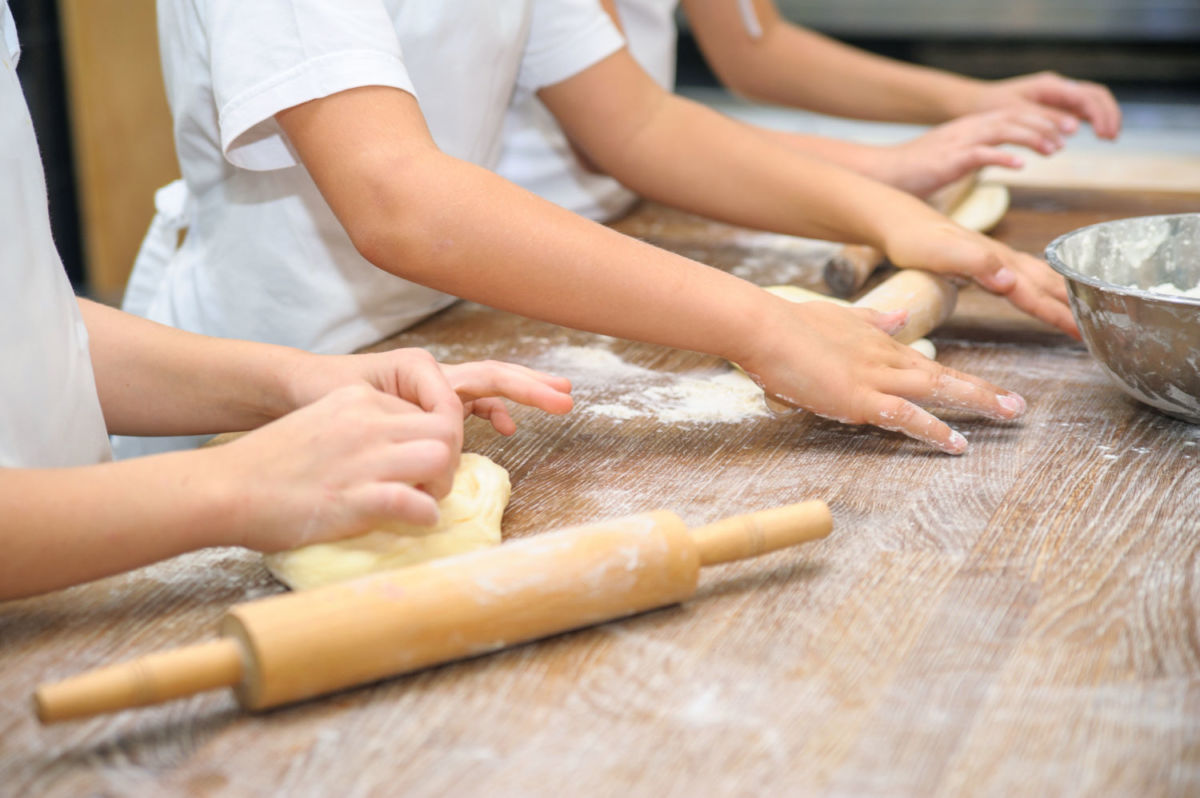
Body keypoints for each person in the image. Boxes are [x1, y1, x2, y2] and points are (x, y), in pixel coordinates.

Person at [122, 0, 1074, 464]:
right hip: (245, 393)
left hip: (436, 340)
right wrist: (761, 323)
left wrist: (895, 217)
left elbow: (638, 123)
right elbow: (397, 199)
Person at [0, 2, 573, 601]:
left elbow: (31, 332)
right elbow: (397, 201)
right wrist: (232, 485)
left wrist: (305, 381)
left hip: (77, 577)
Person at [496, 0, 1123, 221]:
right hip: (528, 225)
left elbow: (756, 47)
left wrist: (969, 98)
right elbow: (620, 131)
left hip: (634, 201)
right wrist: (881, 170)